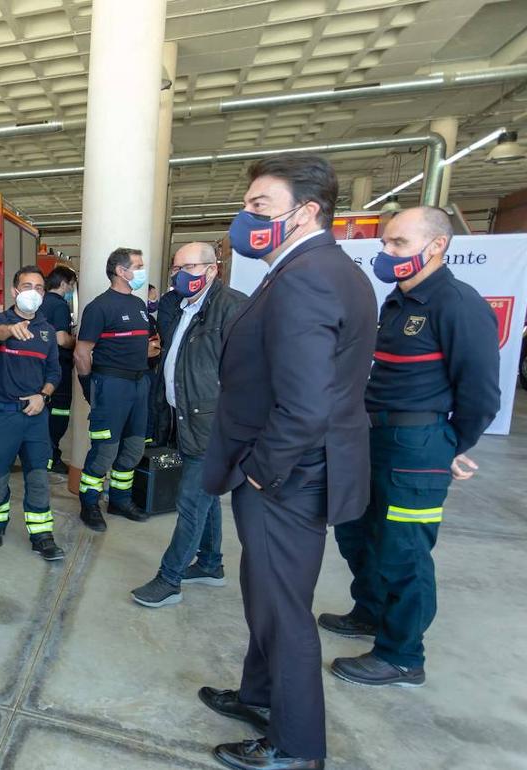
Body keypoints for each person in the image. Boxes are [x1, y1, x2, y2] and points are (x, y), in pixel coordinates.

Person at [198, 154, 376, 770]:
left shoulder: (308, 277)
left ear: (307, 212)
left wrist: (260, 472)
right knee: (266, 591)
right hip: (295, 469)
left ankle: (295, 747)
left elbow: (306, 404)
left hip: (287, 476)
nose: (245, 217)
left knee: (282, 609)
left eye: (260, 206)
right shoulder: (310, 268)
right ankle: (259, 695)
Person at [322, 206, 500, 688]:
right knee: (356, 532)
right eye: (385, 243)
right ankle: (371, 611)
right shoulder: (397, 302)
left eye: (398, 243)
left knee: (404, 550)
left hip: (416, 446)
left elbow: (481, 394)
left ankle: (402, 654)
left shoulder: (458, 305)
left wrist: (446, 446)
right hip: (372, 437)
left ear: (436, 245)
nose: (386, 252)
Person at [130, 242, 246, 608]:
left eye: (189, 268)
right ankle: (211, 564)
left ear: (212, 270)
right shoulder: (185, 307)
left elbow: (246, 373)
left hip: (212, 424)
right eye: (177, 268)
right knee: (205, 498)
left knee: (191, 502)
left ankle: (170, 579)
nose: (180, 275)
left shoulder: (233, 308)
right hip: (186, 418)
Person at [0, 266, 65, 561]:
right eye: (27, 286)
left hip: (35, 418)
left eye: (39, 287)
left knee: (39, 477)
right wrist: (9, 330)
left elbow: (55, 371)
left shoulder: (47, 331)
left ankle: (41, 535)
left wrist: (43, 396)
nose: (33, 292)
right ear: (15, 291)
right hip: (3, 417)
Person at [73, 247, 152, 531]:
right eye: (138, 266)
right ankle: (90, 504)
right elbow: (82, 353)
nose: (142, 271)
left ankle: (120, 500)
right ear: (121, 271)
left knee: (133, 448)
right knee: (105, 450)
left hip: (139, 384)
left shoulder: (140, 305)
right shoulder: (99, 307)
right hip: (112, 385)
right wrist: (89, 387)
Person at [40, 264, 78, 475]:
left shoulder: (40, 302)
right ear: (63, 284)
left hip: (40, 365)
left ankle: (41, 453)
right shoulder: (60, 306)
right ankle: (52, 456)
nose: (71, 289)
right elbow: (61, 338)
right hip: (58, 367)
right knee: (60, 413)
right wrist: (77, 343)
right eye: (71, 285)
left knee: (43, 411)